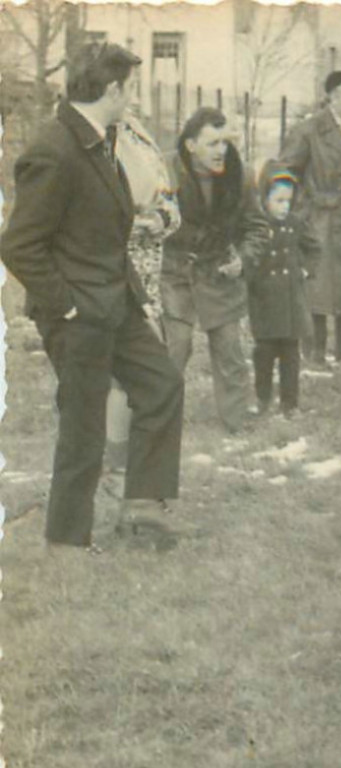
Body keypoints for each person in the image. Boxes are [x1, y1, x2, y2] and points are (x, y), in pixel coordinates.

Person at [0, 41, 186, 549]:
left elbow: (105, 233)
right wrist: (66, 305)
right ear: (111, 89)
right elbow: (18, 245)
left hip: (116, 304)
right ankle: (67, 542)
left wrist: (138, 298)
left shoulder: (99, 141)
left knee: (161, 383)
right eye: (129, 89)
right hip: (78, 314)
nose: (131, 100)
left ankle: (143, 509)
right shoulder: (55, 147)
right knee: (84, 430)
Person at [161, 107, 269, 434]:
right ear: (191, 145)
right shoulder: (165, 172)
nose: (221, 150)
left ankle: (236, 422)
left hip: (219, 272)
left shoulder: (242, 175)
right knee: (174, 348)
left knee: (230, 351)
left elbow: (257, 228)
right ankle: (159, 422)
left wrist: (243, 260)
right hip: (175, 272)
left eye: (225, 142)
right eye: (212, 143)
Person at [98, 105, 181, 530]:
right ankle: (115, 472)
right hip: (112, 278)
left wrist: (159, 219)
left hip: (149, 276)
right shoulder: (96, 139)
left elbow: (171, 203)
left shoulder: (141, 135)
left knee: (150, 378)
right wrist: (133, 224)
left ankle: (140, 482)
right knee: (120, 379)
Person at [278, 70, 341, 371]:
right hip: (317, 221)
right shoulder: (308, 131)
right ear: (332, 99)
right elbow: (284, 174)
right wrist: (299, 215)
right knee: (316, 291)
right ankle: (313, 356)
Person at [247, 165, 321, 418]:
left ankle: (290, 404)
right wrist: (251, 278)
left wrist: (305, 271)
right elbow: (248, 253)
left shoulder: (296, 224)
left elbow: (314, 248)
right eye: (278, 200)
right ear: (264, 198)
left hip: (291, 301)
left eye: (288, 201)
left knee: (291, 356)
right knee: (264, 354)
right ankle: (262, 398)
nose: (284, 207)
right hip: (264, 300)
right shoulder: (257, 224)